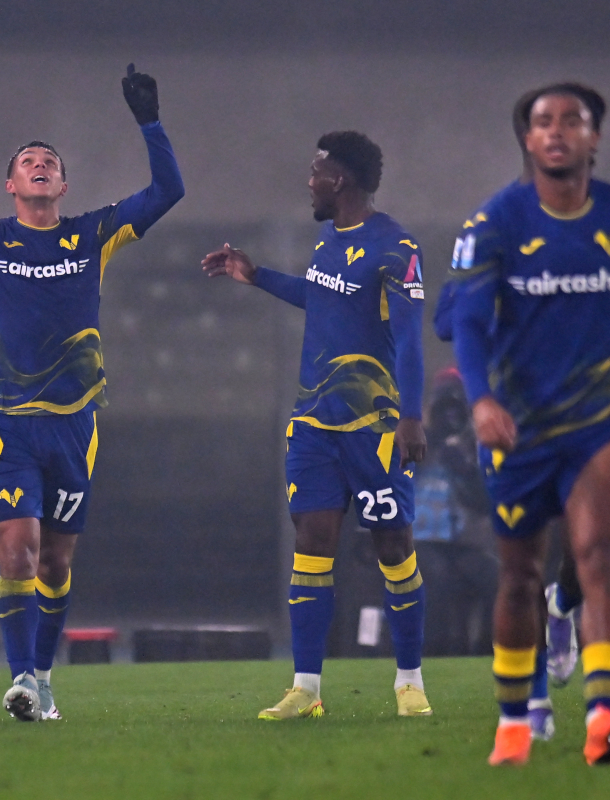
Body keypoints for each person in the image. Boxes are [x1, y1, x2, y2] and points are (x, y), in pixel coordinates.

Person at [0, 62, 184, 721]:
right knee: (17, 551)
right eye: (28, 161)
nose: (40, 164)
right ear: (11, 185)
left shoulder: (95, 235)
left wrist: (149, 120)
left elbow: (169, 190)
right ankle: (21, 677)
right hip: (7, 421)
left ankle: (44, 677)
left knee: (54, 562)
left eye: (49, 160)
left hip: (75, 423)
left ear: (63, 184)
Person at [449, 83, 610, 766]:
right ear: (527, 138)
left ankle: (604, 719)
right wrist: (481, 400)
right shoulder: (494, 223)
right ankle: (515, 725)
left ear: (594, 136)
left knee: (600, 557)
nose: (556, 131)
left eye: (571, 121)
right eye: (543, 121)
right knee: (519, 575)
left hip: (600, 416)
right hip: (519, 424)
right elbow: (463, 321)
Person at [202, 131, 430, 720]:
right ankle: (306, 688)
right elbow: (322, 298)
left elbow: (409, 338)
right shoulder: (328, 239)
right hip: (314, 423)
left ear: (341, 179)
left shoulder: (396, 247)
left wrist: (411, 416)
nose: (309, 181)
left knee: (393, 546)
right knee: (312, 542)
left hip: (374, 426)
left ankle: (410, 682)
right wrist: (257, 276)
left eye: (316, 171)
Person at [410, 368, 496, 657]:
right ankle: (436, 653)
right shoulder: (413, 440)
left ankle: (485, 652)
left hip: (459, 544)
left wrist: (466, 470)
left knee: (495, 578)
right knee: (437, 578)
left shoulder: (471, 447)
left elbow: (484, 504)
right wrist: (427, 443)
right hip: (418, 540)